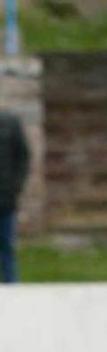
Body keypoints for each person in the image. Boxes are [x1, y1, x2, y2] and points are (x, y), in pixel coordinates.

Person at [0, 111, 29, 283]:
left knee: (7, 248)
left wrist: (15, 187)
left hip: (5, 199)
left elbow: (23, 157)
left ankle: (12, 290)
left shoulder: (11, 123)